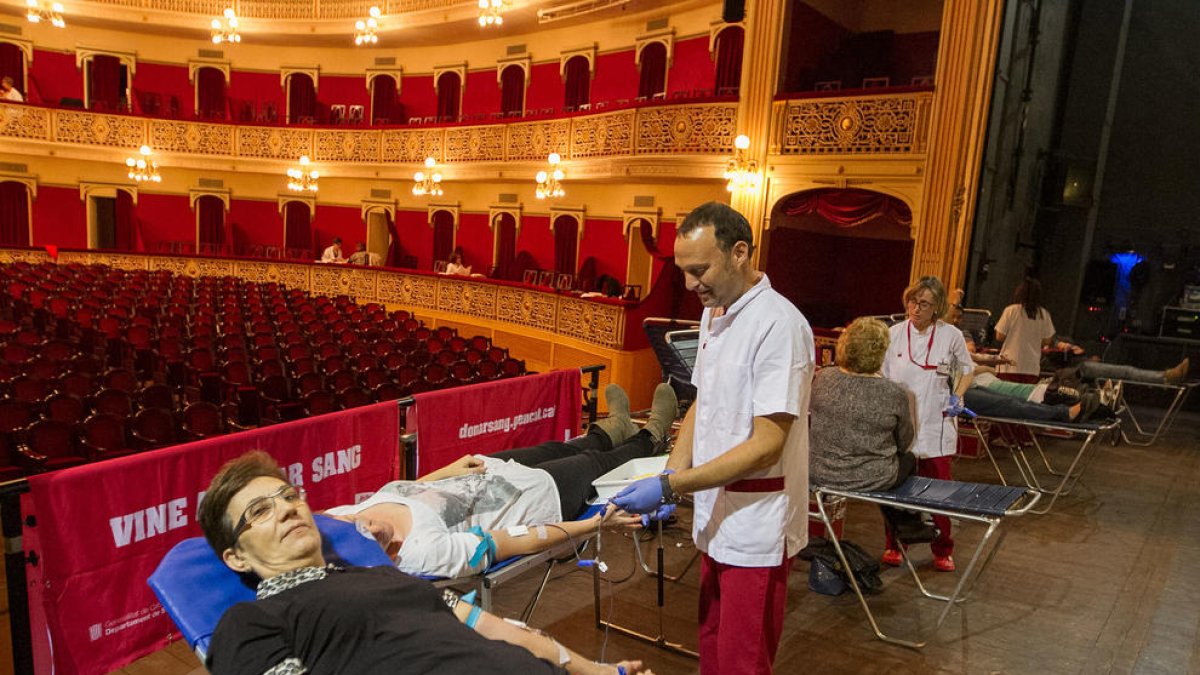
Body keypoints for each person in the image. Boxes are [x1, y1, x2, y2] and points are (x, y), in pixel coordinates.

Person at [197, 451, 653, 675]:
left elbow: (493, 628)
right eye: (259, 512)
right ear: (235, 556)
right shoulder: (251, 621)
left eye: (289, 496)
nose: (285, 509)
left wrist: (592, 669)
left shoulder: (384, 576)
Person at [611, 202, 814, 675]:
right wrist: (670, 471)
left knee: (742, 663)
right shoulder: (714, 313)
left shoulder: (779, 326)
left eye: (699, 270)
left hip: (756, 523)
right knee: (713, 651)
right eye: (683, 271)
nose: (689, 285)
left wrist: (671, 488)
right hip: (717, 513)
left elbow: (768, 443)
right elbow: (702, 403)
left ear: (739, 252)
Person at [325, 383, 678, 579]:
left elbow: (404, 491)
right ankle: (652, 435)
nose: (371, 525)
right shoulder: (421, 554)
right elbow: (508, 541)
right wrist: (595, 524)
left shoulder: (339, 518)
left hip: (487, 471)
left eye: (359, 523)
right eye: (371, 540)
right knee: (595, 463)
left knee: (556, 446)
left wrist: (447, 470)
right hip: (530, 498)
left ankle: (613, 427)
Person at [809, 317, 935, 544]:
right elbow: (905, 441)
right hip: (872, 479)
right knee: (908, 458)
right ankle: (908, 524)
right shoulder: (894, 392)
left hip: (818, 472)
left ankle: (907, 525)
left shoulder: (822, 378)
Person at [880, 276, 973, 572]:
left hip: (936, 425)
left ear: (937, 308)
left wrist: (958, 395)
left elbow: (968, 370)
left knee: (939, 493)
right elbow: (880, 376)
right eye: (912, 301)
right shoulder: (893, 334)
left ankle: (943, 549)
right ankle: (895, 544)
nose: (916, 308)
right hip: (900, 428)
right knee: (895, 491)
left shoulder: (951, 335)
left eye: (924, 304)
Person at [994, 278, 1079, 376]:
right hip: (1032, 368)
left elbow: (999, 336)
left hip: (1009, 365)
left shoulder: (1011, 311)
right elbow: (1047, 340)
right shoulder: (1044, 314)